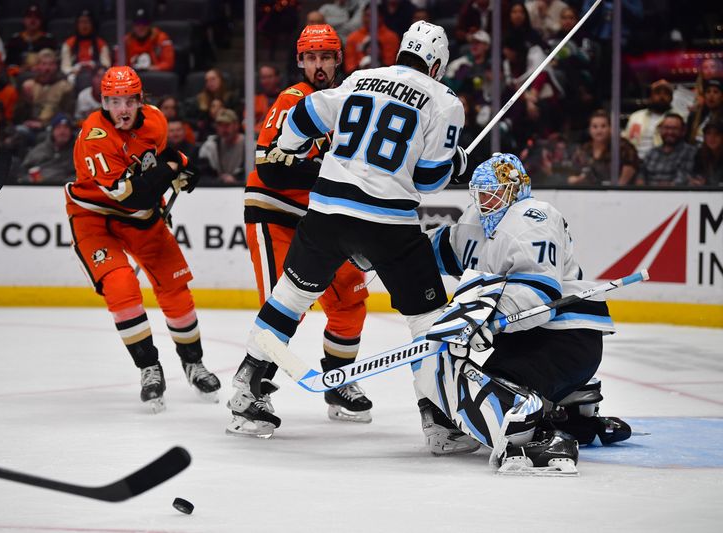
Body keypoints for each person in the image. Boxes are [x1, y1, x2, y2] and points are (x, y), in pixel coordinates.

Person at [231, 21, 470, 453]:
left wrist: (296, 145)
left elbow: (301, 119)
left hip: (325, 214)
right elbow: (431, 181)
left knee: (288, 299)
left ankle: (245, 391)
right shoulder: (445, 100)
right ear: (436, 63)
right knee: (428, 320)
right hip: (386, 222)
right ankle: (440, 423)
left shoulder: (362, 79)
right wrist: (457, 162)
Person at [419, 152, 621, 474]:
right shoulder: (476, 220)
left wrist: (480, 319)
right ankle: (569, 408)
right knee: (467, 362)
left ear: (514, 189)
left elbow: (538, 297)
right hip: (532, 338)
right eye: (480, 194)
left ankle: (531, 434)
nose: (485, 201)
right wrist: (385, 252)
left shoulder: (532, 218)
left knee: (471, 376)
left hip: (564, 339)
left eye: (492, 193)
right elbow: (435, 252)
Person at [228, 23, 374, 438]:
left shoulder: (347, 104)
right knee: (282, 305)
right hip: (274, 213)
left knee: (349, 296)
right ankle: (248, 394)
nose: (319, 65)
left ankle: (339, 382)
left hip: (320, 219)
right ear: (300, 62)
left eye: (326, 57)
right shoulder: (294, 98)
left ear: (338, 60)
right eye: (311, 58)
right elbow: (270, 166)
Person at [65, 66, 220, 413]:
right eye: (113, 101)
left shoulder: (155, 121)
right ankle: (149, 367)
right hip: (94, 217)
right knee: (121, 288)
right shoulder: (95, 136)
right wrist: (174, 168)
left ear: (140, 101)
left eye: (128, 101)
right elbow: (130, 195)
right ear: (103, 102)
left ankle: (193, 363)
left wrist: (178, 167)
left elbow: (158, 161)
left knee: (175, 288)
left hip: (142, 216)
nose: (121, 109)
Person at [568, 109, 639, 185]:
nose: (599, 131)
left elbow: (623, 181)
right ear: (589, 129)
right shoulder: (584, 149)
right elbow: (572, 176)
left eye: (603, 126)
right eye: (595, 127)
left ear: (610, 128)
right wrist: (577, 180)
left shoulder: (623, 148)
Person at [624, 79, 678, 159]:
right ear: (650, 97)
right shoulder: (636, 117)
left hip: (664, 162)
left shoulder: (678, 118)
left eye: (666, 93)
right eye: (657, 93)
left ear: (671, 98)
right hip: (635, 162)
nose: (661, 97)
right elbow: (626, 140)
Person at [639, 113, 697, 186]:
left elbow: (681, 181)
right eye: (666, 128)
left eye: (674, 129)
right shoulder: (651, 153)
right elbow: (641, 177)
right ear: (660, 130)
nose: (670, 132)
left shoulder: (690, 152)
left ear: (683, 131)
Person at [60, 9, 111, 92]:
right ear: (77, 24)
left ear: (92, 24)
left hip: (95, 75)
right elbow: (65, 67)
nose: (84, 25)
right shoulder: (68, 44)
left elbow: (106, 64)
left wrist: (93, 66)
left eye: (87, 22)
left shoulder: (101, 43)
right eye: (81, 22)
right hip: (74, 75)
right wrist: (75, 70)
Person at [18, 113, 75, 184]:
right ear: (52, 131)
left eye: (66, 128)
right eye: (58, 127)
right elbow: (22, 173)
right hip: (36, 190)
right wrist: (30, 180)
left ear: (71, 132)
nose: (62, 131)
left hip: (63, 190)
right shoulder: (39, 150)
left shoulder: (77, 152)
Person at [197, 108, 245, 185]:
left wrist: (236, 179)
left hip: (242, 187)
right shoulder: (209, 146)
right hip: (217, 189)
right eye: (220, 125)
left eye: (227, 125)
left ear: (236, 125)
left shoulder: (249, 146)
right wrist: (217, 180)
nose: (223, 129)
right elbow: (203, 173)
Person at [343, 9, 400, 74]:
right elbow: (349, 65)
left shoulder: (391, 37)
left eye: (371, 16)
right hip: (357, 74)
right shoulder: (353, 37)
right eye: (366, 15)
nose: (368, 19)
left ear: (380, 17)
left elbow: (390, 63)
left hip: (383, 74)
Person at [5, 4, 58, 72]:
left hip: (43, 74)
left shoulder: (49, 40)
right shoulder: (15, 40)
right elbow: (10, 64)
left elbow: (54, 62)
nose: (33, 20)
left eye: (36, 17)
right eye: (29, 17)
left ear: (41, 21)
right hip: (18, 75)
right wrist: (20, 69)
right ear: (24, 20)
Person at [125, 8, 175, 72]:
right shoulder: (127, 40)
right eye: (137, 23)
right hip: (132, 75)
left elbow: (168, 63)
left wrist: (152, 68)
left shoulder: (161, 38)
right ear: (133, 26)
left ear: (149, 25)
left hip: (155, 75)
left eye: (144, 23)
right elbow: (119, 64)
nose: (141, 27)